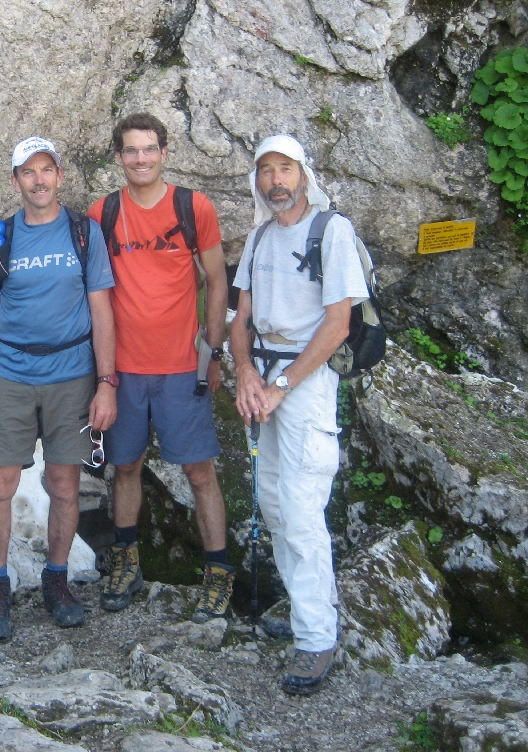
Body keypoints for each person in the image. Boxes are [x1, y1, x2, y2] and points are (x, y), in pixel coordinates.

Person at [0, 136, 117, 642]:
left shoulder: (83, 234)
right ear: (15, 181)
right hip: (10, 375)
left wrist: (107, 383)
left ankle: (57, 579)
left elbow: (101, 311)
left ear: (60, 175)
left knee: (65, 485)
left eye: (46, 169)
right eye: (27, 172)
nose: (38, 180)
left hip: (72, 377)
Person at [230, 134, 368, 695]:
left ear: (304, 174)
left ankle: (316, 637)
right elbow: (241, 317)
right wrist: (243, 373)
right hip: (261, 379)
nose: (275, 181)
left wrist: (282, 384)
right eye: (266, 171)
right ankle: (306, 612)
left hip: (305, 384)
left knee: (302, 504)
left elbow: (337, 323)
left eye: (284, 169)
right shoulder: (260, 236)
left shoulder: (332, 231)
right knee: (270, 499)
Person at [88, 113, 232, 620]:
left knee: (199, 472)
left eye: (149, 149)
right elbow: (94, 293)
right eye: (131, 150)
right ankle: (126, 563)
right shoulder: (102, 213)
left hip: (179, 368)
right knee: (124, 466)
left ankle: (218, 573)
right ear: (119, 156)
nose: (141, 158)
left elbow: (217, 282)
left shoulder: (193, 207)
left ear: (164, 152)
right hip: (123, 370)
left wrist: (210, 352)